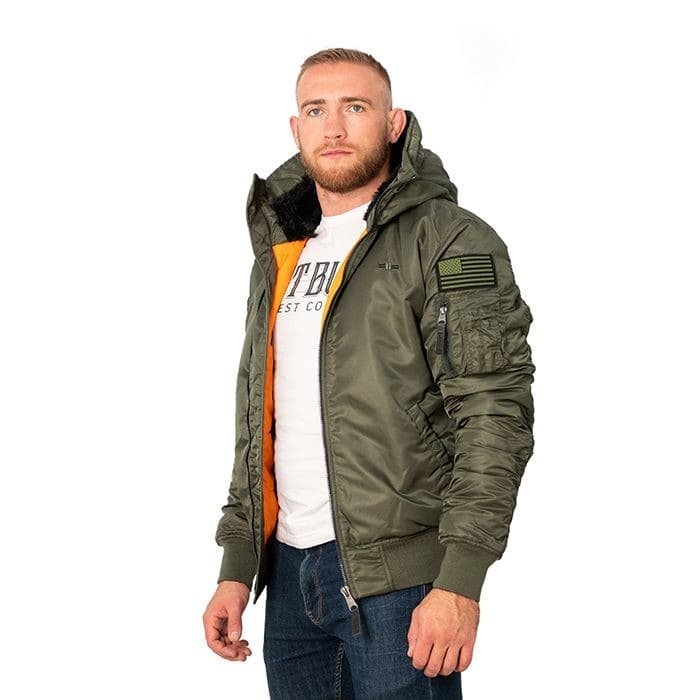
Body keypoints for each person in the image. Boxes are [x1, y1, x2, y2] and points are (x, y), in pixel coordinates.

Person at [203, 47, 535, 699]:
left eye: (355, 107)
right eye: (315, 110)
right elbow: (260, 414)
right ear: (295, 128)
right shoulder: (281, 252)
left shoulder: (449, 239)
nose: (333, 126)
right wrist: (238, 564)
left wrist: (460, 581)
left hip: (402, 583)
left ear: (393, 122)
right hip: (290, 583)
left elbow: (494, 412)